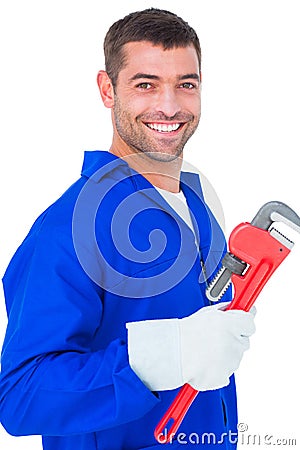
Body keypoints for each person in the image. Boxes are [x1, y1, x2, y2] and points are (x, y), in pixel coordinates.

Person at [0, 8, 256, 450]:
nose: (170, 106)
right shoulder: (66, 228)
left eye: (186, 85)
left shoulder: (198, 206)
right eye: (145, 85)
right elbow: (21, 395)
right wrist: (161, 357)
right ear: (107, 89)